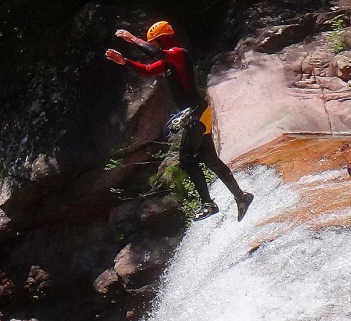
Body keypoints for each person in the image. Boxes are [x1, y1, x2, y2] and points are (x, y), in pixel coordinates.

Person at [105, 21, 254, 221]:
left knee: (186, 159)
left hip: (196, 113)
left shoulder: (179, 54)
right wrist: (125, 61)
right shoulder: (168, 62)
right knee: (209, 159)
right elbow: (148, 70)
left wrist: (133, 39)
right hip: (198, 113)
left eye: (156, 42)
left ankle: (208, 204)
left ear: (162, 39)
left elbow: (155, 54)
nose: (155, 45)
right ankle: (241, 196)